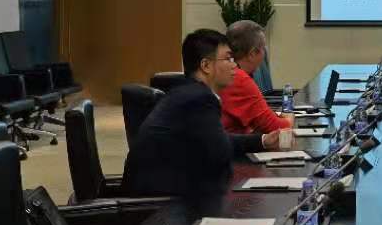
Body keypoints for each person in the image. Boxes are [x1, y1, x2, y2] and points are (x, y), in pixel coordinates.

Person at [122, 29, 282, 204]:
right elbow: (220, 154)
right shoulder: (199, 99)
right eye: (228, 59)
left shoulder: (188, 93)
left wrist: (262, 140)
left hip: (160, 192)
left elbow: (219, 140)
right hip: (157, 205)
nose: (234, 66)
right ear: (206, 66)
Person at [220, 19, 292, 134]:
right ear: (252, 54)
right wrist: (289, 117)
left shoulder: (224, 69)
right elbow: (278, 128)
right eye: (263, 48)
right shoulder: (238, 78)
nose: (265, 53)